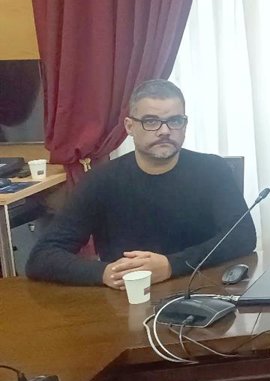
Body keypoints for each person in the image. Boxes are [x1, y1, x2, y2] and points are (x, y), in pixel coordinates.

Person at [25, 80, 255, 288]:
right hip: (127, 298)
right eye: (151, 121)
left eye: (175, 121)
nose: (164, 131)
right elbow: (42, 256)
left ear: (185, 124)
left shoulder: (212, 170)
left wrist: (170, 266)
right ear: (129, 126)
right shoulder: (101, 180)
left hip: (200, 290)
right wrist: (104, 273)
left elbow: (242, 237)